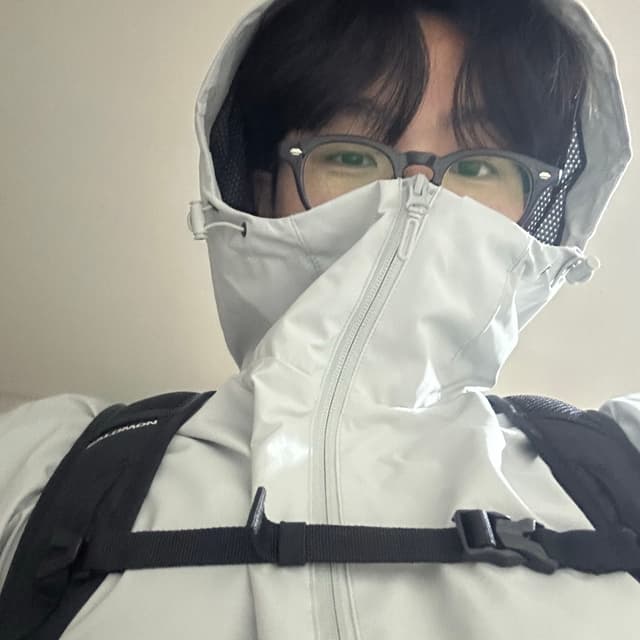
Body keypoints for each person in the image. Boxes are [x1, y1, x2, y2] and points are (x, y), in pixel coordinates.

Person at [1, 0, 639, 638]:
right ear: (261, 191)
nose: (421, 195)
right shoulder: (50, 468)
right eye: (354, 157)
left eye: (477, 166)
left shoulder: (619, 462)